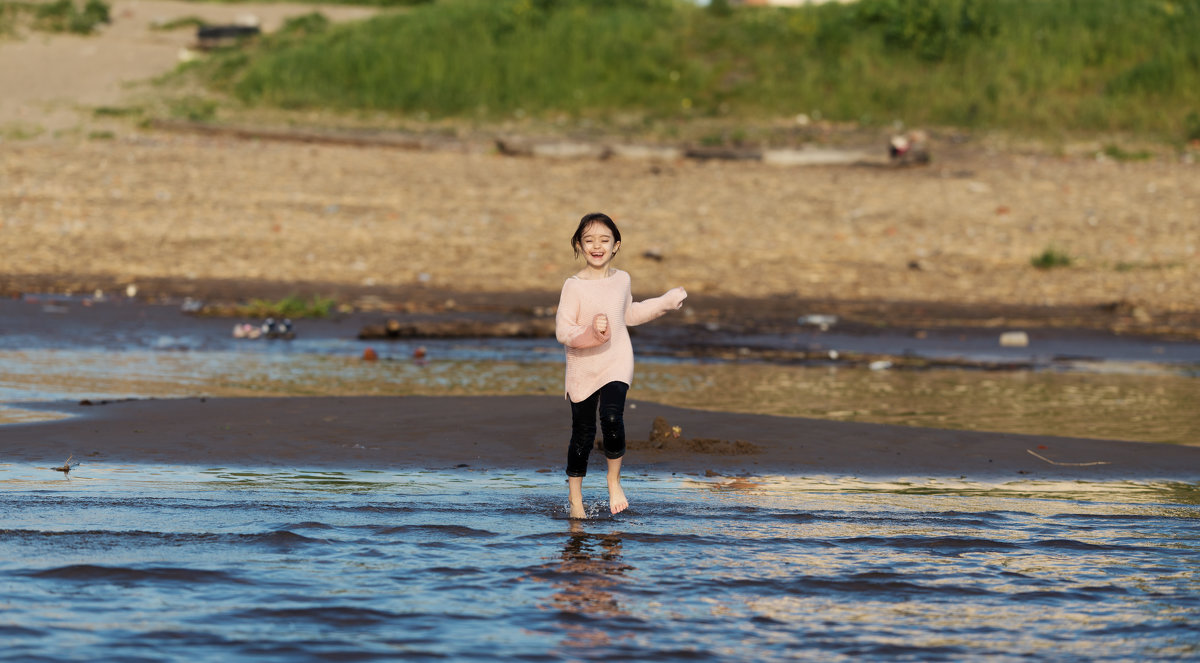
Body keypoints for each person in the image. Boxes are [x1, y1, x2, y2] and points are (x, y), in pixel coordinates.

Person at [554, 212, 687, 519]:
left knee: (612, 418)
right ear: (578, 245)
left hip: (617, 358)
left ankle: (614, 482)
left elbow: (628, 314)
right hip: (583, 367)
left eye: (604, 240)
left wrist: (665, 302)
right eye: (589, 240)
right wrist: (591, 333)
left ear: (616, 245)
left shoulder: (622, 279)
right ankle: (576, 500)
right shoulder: (573, 287)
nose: (597, 246)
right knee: (583, 434)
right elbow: (564, 332)